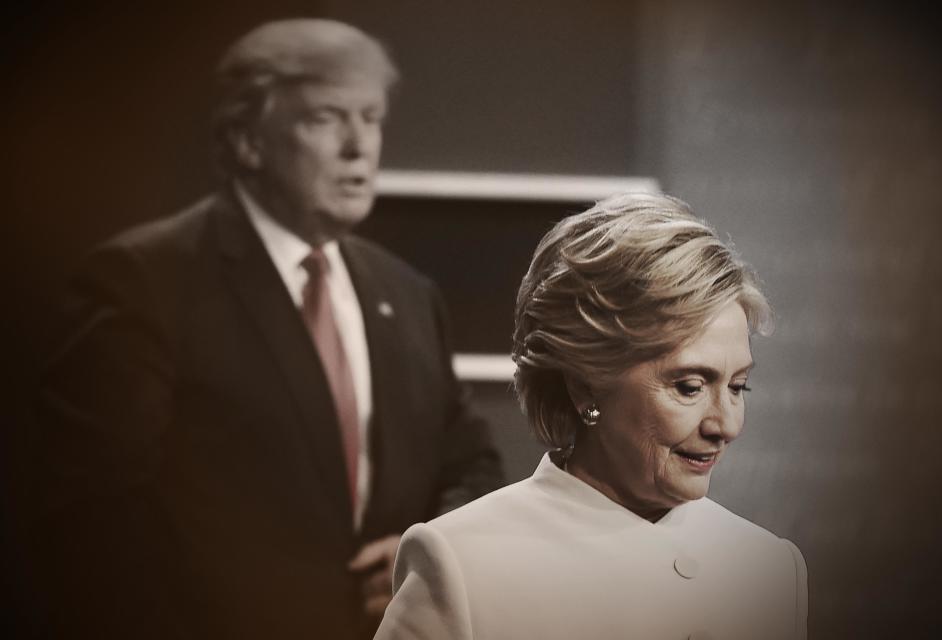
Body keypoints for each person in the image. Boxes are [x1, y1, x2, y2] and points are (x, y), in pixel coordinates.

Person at [31, 18, 502, 640]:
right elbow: (90, 524)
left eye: (372, 117)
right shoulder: (144, 280)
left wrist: (427, 553)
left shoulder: (407, 294)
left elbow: (472, 465)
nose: (360, 147)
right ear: (248, 142)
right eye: (326, 119)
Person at [375, 193, 808, 640]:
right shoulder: (460, 565)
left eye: (738, 387)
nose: (726, 425)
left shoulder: (770, 570)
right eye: (689, 387)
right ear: (585, 385)